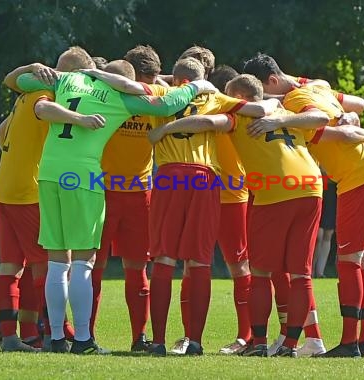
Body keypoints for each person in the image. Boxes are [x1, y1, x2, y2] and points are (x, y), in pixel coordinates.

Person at [14, 49, 216, 355]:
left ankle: (56, 338)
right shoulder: (120, 98)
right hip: (87, 178)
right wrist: (196, 85)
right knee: (84, 262)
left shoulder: (67, 80)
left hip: (51, 172)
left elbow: (18, 82)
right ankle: (83, 340)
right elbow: (166, 103)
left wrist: (33, 65)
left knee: (58, 262)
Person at [243, 53, 364, 357]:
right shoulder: (317, 86)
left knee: (349, 261)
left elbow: (322, 120)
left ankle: (350, 344)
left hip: (358, 178)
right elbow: (358, 105)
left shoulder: (296, 102)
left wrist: (280, 118)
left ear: (272, 82)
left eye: (264, 90)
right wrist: (353, 121)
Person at [145, 59, 280, 357]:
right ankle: (194, 341)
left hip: (169, 175)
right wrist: (277, 106)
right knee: (199, 261)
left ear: (176, 78)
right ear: (202, 78)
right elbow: (258, 109)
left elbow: (129, 85)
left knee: (165, 259)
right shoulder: (213, 97)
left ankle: (157, 341)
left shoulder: (160, 93)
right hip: (205, 177)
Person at [0, 49, 91, 352]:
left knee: (11, 267)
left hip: (4, 189)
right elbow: (44, 110)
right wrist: (81, 119)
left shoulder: (24, 95)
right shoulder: (45, 95)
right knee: (47, 266)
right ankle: (46, 334)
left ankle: (11, 337)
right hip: (27, 193)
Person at [90, 46, 164, 352]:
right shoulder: (102, 97)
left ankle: (139, 338)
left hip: (137, 193)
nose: (149, 85)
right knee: (92, 265)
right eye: (147, 78)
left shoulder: (157, 98)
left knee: (136, 268)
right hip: (103, 191)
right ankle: (85, 335)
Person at [207, 64, 252, 355]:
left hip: (231, 196)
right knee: (195, 264)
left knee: (239, 266)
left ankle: (246, 336)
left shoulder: (230, 113)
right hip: (210, 194)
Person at [313, 172, 337, 278]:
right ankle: (311, 270)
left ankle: (320, 272)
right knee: (318, 234)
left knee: (328, 233)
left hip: (331, 187)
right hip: (316, 184)